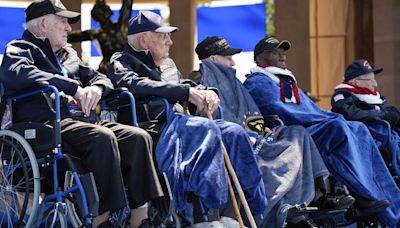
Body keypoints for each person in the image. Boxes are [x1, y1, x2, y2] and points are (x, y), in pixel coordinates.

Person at [0, 1, 163, 227]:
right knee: (101, 137)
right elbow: (16, 73)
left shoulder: (70, 56)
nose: (69, 28)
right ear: (44, 24)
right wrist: (72, 87)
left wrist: (96, 89)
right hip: (45, 123)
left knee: (137, 137)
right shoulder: (20, 49)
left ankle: (140, 218)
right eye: (63, 21)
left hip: (80, 122)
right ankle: (101, 220)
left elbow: (101, 78)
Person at [107, 10, 267, 223]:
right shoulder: (122, 60)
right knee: (205, 128)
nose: (170, 42)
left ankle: (253, 206)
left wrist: (208, 91)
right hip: (155, 127)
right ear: (145, 38)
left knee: (234, 131)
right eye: (164, 36)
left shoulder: (161, 64)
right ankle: (208, 209)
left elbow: (184, 85)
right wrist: (185, 93)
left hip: (179, 123)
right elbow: (134, 84)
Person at [189, 36, 355, 228]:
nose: (233, 62)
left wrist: (265, 129)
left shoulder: (236, 82)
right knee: (277, 158)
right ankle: (284, 209)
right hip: (232, 143)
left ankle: (317, 194)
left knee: (296, 133)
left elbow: (253, 115)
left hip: (258, 136)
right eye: (227, 57)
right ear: (212, 58)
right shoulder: (199, 80)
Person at [243, 36, 400, 226]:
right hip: (289, 133)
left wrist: (326, 117)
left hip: (310, 125)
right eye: (276, 53)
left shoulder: (286, 80)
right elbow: (283, 111)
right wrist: (327, 118)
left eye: (283, 52)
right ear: (261, 59)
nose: (283, 56)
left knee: (359, 128)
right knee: (337, 127)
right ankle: (363, 194)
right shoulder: (258, 82)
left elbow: (312, 110)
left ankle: (384, 197)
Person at [331, 59, 400, 181]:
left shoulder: (377, 97)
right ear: (356, 81)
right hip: (361, 137)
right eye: (371, 80)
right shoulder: (342, 96)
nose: (375, 84)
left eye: (374, 79)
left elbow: (384, 112)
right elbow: (352, 114)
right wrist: (382, 115)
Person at [68, 0, 133, 73]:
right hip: (109, 69)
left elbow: (127, 6)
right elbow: (71, 37)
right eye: (105, 8)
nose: (108, 8)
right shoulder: (98, 33)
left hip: (122, 67)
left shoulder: (120, 27)